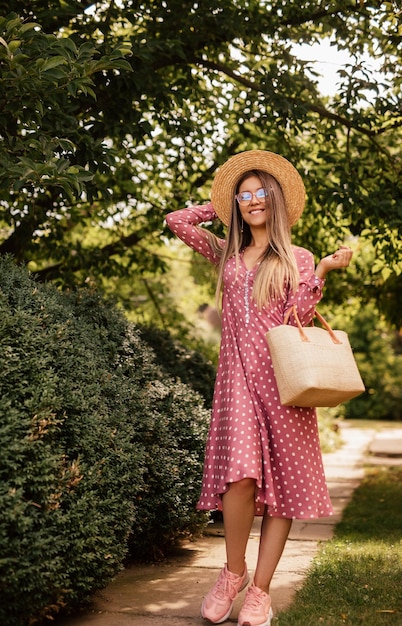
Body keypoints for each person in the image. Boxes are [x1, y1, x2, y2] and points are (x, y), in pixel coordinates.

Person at [165, 150, 353, 626]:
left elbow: (301, 318)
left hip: (282, 383)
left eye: (259, 192)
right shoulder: (225, 251)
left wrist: (323, 272)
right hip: (235, 382)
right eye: (243, 195)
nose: (251, 201)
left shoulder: (298, 257)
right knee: (240, 479)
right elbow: (177, 221)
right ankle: (232, 572)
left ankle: (260, 593)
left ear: (275, 200)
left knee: (283, 488)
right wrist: (219, 202)